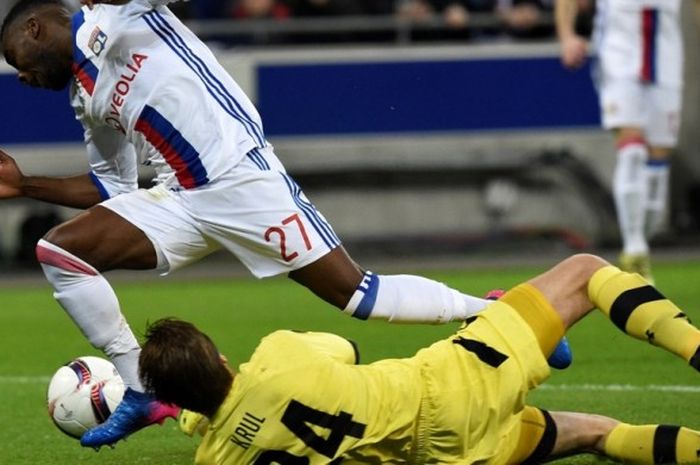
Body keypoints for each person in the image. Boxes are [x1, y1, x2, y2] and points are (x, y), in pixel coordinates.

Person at [0, 0, 571, 448]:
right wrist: (26, 185)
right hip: (182, 198)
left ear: (33, 29)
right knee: (60, 253)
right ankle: (143, 389)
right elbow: (112, 187)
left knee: (358, 296)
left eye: (17, 64)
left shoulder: (120, 15)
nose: (21, 78)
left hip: (243, 182)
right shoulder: (87, 100)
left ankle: (500, 312)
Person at [139, 253, 700, 465]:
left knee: (597, 434)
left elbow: (230, 421)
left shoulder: (215, 459)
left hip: (443, 458)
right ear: (219, 357)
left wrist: (185, 414)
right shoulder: (278, 356)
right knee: (585, 272)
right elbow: (346, 348)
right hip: (449, 389)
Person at [555, 0, 699, 281]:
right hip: (618, 54)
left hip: (666, 55)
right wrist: (567, 36)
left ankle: (639, 243)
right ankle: (634, 249)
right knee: (631, 150)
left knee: (657, 170)